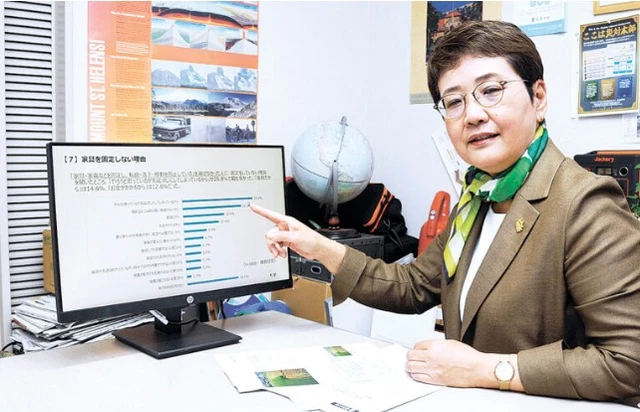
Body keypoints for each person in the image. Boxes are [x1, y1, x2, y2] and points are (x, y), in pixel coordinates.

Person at [250, 20, 640, 406]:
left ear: (538, 98)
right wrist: (318, 246)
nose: (472, 114)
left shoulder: (586, 204)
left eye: (491, 91)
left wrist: (488, 370)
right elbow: (413, 286)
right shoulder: (477, 198)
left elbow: (629, 363)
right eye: (454, 101)